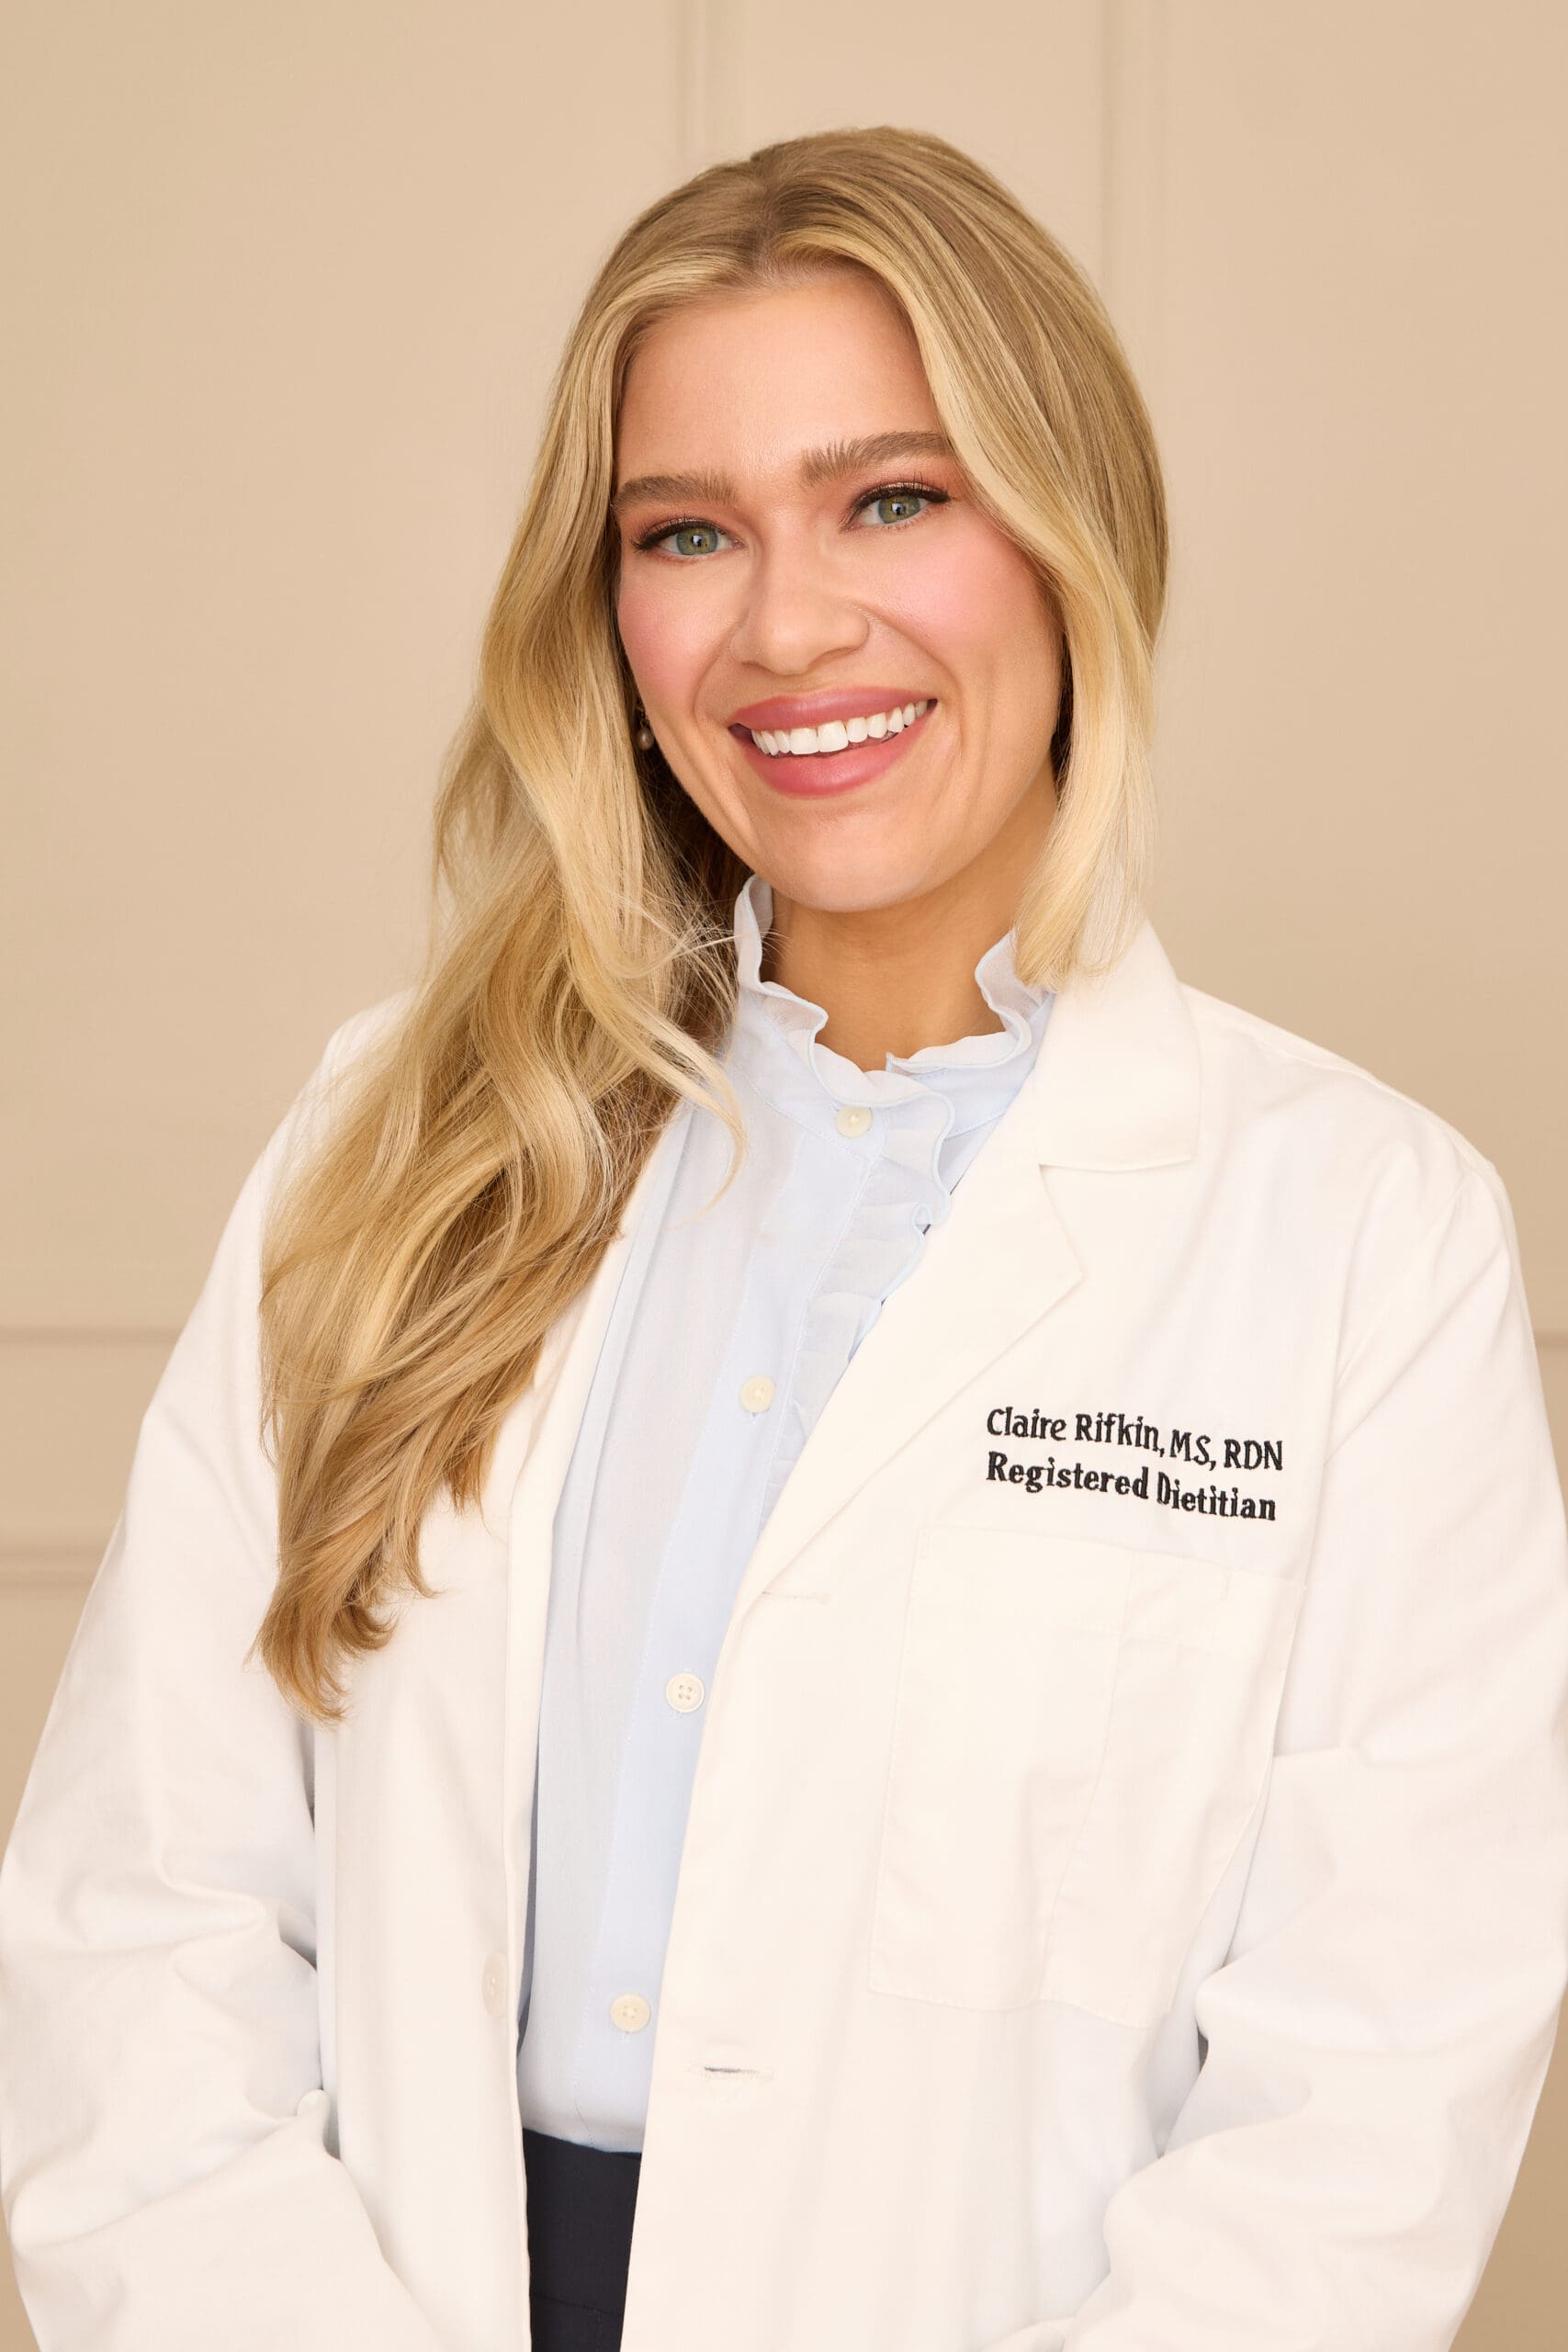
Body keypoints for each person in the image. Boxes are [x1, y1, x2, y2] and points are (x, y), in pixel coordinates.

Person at [2, 122, 1565, 2352]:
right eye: (686, 531)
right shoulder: (400, 1138)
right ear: (610, 612)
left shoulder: (1359, 1235)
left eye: (889, 499)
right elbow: (140, 1922)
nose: (786, 623)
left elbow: (1361, 2098)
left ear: (1068, 532)